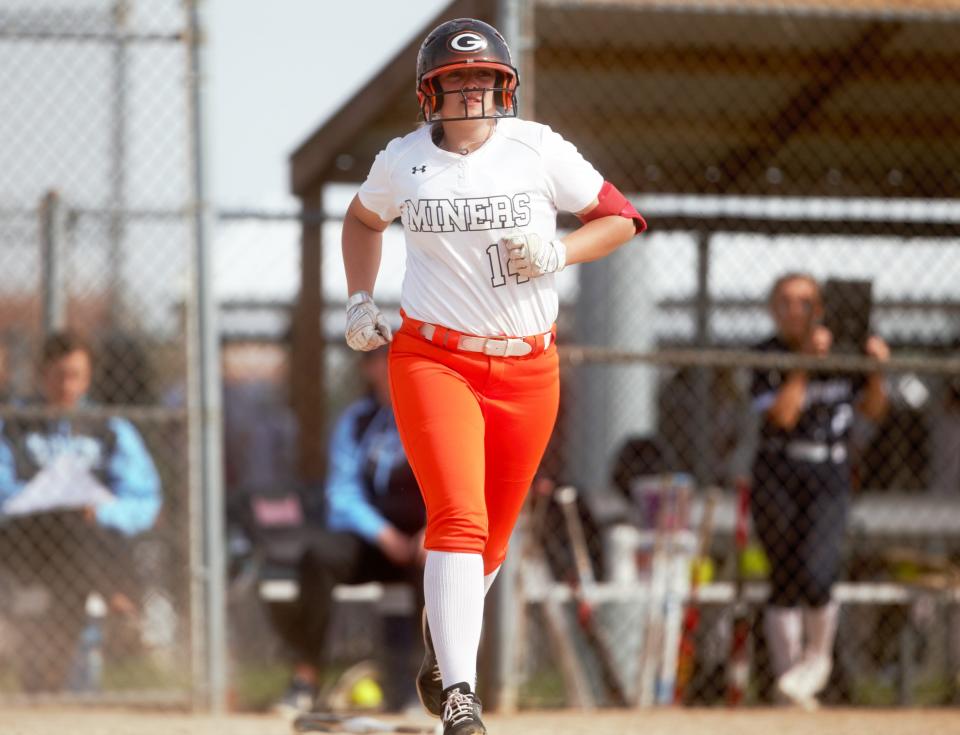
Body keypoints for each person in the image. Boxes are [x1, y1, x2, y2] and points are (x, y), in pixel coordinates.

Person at [340, 18, 645, 734]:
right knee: (459, 518)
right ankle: (461, 699)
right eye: (455, 81)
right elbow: (361, 221)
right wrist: (359, 297)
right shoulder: (404, 159)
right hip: (432, 357)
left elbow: (622, 218)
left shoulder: (536, 148)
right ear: (430, 93)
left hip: (528, 366)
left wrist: (558, 252)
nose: (470, 93)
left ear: (503, 87)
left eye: (482, 81)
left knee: (495, 540)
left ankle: (441, 645)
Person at [748, 273, 889, 709]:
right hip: (779, 468)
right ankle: (790, 683)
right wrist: (805, 363)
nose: (796, 311)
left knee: (818, 571)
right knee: (784, 576)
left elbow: (873, 410)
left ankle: (817, 661)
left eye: (805, 302)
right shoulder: (767, 356)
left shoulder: (846, 351)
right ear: (773, 308)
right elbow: (782, 416)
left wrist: (876, 371)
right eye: (786, 302)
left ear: (821, 308)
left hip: (828, 470)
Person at [0, 330, 162, 692]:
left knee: (78, 527)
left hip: (90, 543)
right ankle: (118, 597)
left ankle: (50, 687)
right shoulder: (12, 425)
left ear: (88, 378)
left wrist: (102, 512)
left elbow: (145, 501)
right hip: (26, 542)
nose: (67, 385)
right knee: (67, 520)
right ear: (41, 375)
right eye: (59, 375)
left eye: (76, 376)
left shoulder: (111, 429)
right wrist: (39, 498)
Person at [268, 346, 426, 715]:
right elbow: (342, 492)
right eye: (375, 359)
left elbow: (453, 478)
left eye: (391, 356)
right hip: (374, 540)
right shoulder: (357, 420)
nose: (382, 365)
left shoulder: (433, 411)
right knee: (317, 555)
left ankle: (422, 688)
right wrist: (383, 534)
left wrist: (433, 527)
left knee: (441, 561)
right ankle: (305, 679)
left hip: (424, 537)